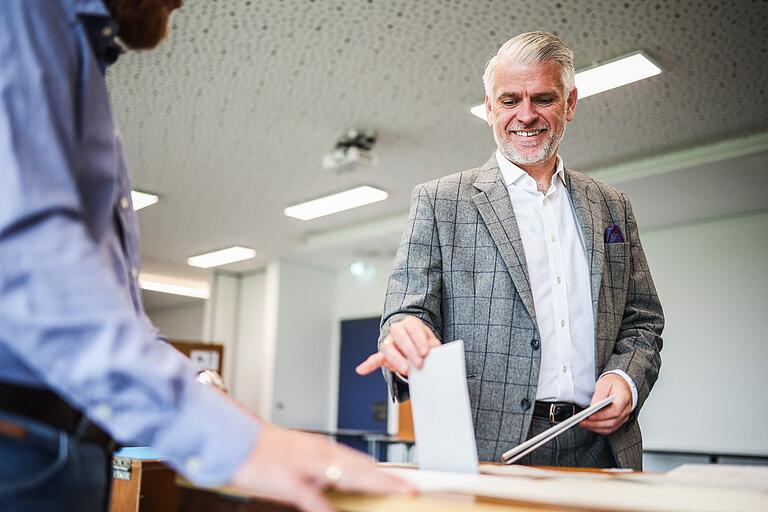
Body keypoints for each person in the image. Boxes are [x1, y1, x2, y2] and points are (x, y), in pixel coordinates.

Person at [0, 1, 412, 511]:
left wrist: (218, 401)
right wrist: (238, 443)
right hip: (23, 443)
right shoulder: (23, 15)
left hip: (61, 444)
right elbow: (30, 261)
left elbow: (116, 310)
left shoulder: (79, 55)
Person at [357, 31, 664, 470]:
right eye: (509, 100)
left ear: (571, 103)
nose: (526, 115)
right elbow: (407, 314)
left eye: (543, 98)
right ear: (488, 108)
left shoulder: (612, 206)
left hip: (602, 447)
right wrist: (406, 338)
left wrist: (625, 377)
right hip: (485, 445)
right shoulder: (442, 201)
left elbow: (643, 318)